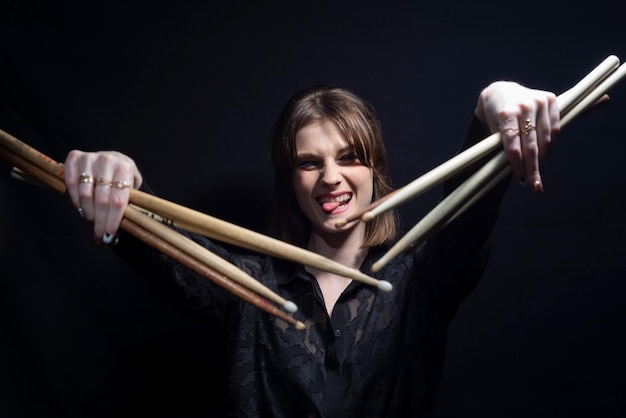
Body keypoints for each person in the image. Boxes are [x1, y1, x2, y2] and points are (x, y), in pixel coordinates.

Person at [62, 81, 559, 417]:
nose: (331, 177)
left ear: (374, 171)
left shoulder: (422, 279)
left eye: (349, 157)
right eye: (308, 163)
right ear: (291, 182)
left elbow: (466, 214)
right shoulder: (246, 284)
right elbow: (158, 244)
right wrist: (113, 184)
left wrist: (491, 102)